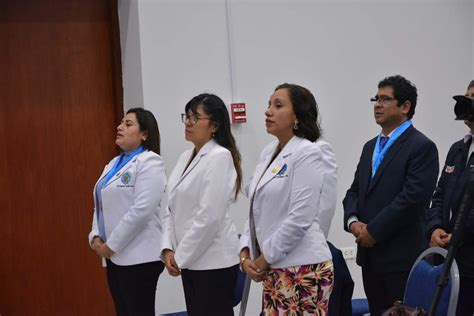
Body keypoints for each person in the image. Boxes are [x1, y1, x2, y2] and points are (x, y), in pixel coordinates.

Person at [343, 75, 439, 315]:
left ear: (405, 107)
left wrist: (373, 231)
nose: (377, 104)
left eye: (385, 99)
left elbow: (412, 199)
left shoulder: (421, 146)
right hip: (370, 257)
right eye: (376, 98)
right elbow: (354, 191)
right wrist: (353, 222)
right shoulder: (370, 147)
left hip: (401, 258)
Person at [240, 83, 336, 315]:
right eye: (269, 104)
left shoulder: (308, 152)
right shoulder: (268, 152)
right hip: (274, 266)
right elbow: (256, 209)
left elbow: (300, 218)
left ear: (298, 116)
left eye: (278, 105)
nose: (268, 111)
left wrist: (263, 260)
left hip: (303, 267)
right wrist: (246, 254)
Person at [161, 93, 242, 316]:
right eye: (186, 117)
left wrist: (180, 257)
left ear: (214, 125)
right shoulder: (185, 156)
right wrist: (168, 249)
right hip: (189, 261)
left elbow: (209, 217)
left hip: (213, 262)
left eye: (195, 118)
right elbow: (170, 206)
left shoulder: (219, 156)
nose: (188, 123)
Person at [88, 108, 166, 316]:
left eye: (128, 124)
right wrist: (95, 236)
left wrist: (111, 245)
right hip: (114, 257)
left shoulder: (150, 162)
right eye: (121, 123)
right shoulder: (114, 163)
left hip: (140, 258)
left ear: (145, 134)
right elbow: (100, 203)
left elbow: (142, 210)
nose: (120, 127)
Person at [426, 80, 474, 316]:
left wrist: (460, 233)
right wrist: (434, 227)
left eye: (473, 97)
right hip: (449, 257)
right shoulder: (458, 148)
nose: (467, 102)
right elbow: (440, 193)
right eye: (467, 95)